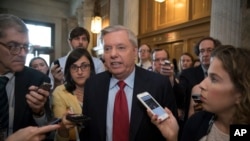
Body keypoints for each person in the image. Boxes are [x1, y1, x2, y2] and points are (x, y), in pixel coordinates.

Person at [79, 25, 177, 141]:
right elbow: (87, 131)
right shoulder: (93, 85)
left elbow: (170, 130)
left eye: (121, 47)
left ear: (135, 52)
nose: (113, 54)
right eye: (107, 49)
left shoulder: (159, 84)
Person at [149, 45, 250, 141]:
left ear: (240, 93)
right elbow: (194, 106)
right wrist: (173, 137)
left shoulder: (241, 131)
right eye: (202, 51)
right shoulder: (196, 122)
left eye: (214, 79)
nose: (201, 85)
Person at [0, 14, 52, 140]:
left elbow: (46, 131)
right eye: (13, 46)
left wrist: (38, 112)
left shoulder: (37, 80)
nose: (23, 53)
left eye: (26, 47)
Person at [52, 48, 96, 141]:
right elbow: (60, 136)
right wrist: (63, 127)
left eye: (84, 66)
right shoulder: (60, 92)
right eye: (74, 67)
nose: (79, 72)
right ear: (69, 70)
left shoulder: (100, 89)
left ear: (91, 68)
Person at [178, 37, 221, 123]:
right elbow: (180, 95)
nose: (205, 54)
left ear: (217, 52)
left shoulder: (224, 74)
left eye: (209, 50)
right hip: (195, 122)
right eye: (202, 51)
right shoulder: (188, 74)